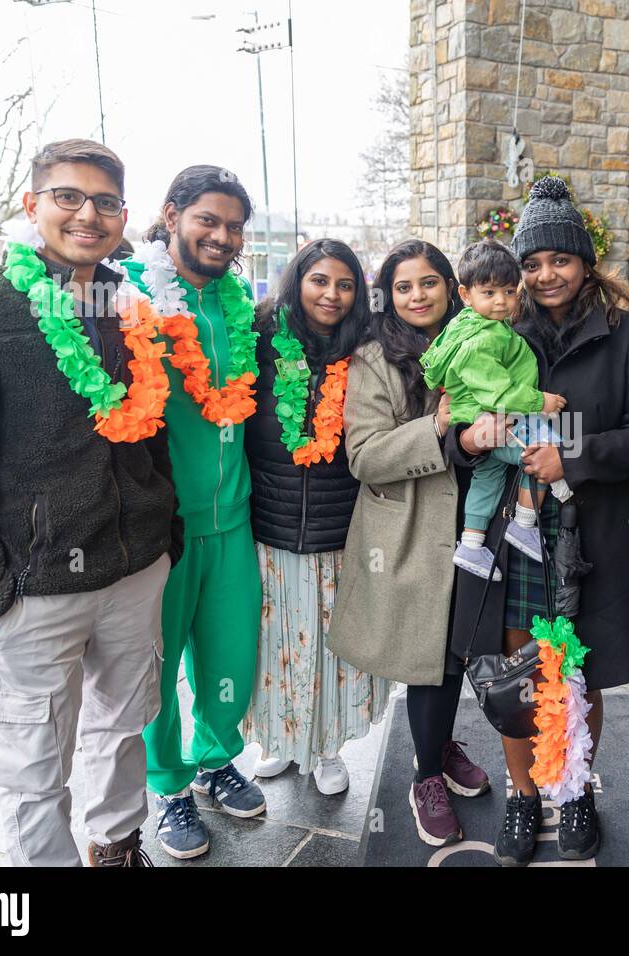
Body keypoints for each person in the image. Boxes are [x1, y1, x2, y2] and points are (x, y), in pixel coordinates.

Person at [0, 165, 270, 861]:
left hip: (190, 528)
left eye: (234, 226)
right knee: (125, 706)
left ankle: (202, 769)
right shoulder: (131, 295)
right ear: (169, 218)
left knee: (198, 673)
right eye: (208, 220)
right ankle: (167, 790)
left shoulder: (241, 306)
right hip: (126, 541)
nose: (222, 236)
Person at [447, 176, 629, 865]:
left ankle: (572, 791)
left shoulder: (628, 334)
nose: (543, 275)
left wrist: (571, 455)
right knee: (515, 671)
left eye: (559, 260)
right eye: (531, 264)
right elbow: (458, 422)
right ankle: (521, 795)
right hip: (515, 532)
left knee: (577, 673)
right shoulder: (496, 329)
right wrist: (470, 434)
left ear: (585, 262)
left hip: (591, 531)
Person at [329, 239, 491, 848]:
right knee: (432, 656)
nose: (418, 295)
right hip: (412, 527)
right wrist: (440, 425)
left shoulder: (482, 336)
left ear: (450, 286)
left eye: (429, 283)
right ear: (388, 295)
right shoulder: (376, 357)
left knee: (462, 649)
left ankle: (438, 741)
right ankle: (425, 776)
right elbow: (364, 457)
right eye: (404, 286)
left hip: (481, 520)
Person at [242, 238, 387, 795]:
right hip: (268, 528)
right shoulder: (258, 336)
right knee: (274, 642)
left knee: (330, 647)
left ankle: (326, 748)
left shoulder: (371, 348)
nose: (332, 294)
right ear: (296, 281)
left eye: (345, 284)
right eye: (319, 281)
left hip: (341, 531)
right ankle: (278, 741)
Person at [420, 238, 569, 579]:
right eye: (489, 293)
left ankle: (471, 545)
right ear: (465, 295)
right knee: (540, 454)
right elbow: (497, 393)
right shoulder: (482, 339)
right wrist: (540, 401)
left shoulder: (474, 326)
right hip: (492, 418)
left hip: (477, 421)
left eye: (508, 291)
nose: (501, 301)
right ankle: (524, 523)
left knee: (487, 479)